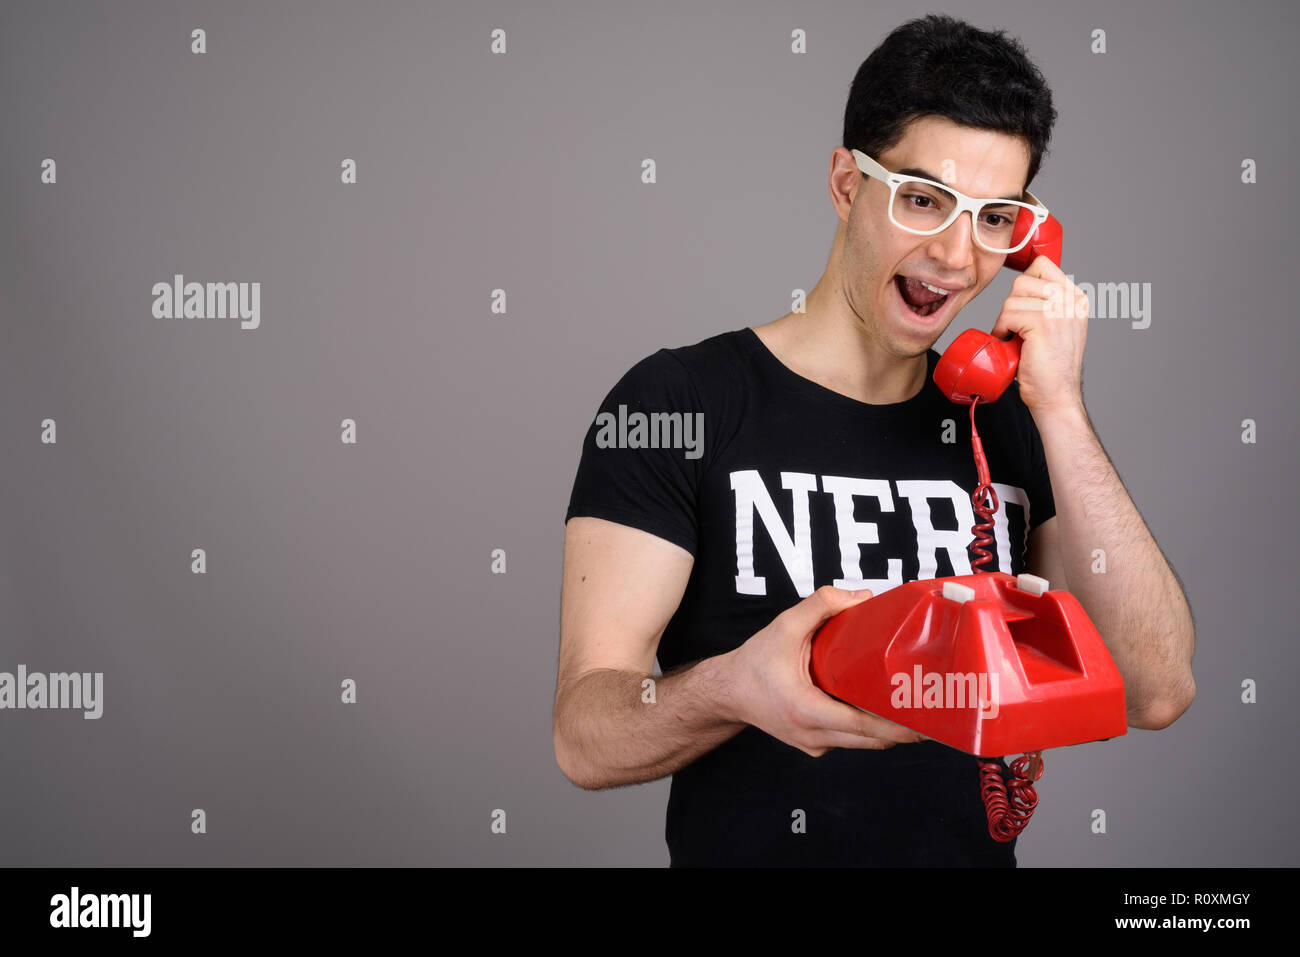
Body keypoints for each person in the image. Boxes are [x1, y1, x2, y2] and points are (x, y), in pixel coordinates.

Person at [553, 14, 1196, 866]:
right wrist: (733, 688)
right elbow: (584, 735)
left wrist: (1062, 409)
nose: (956, 257)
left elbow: (1155, 689)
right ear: (847, 185)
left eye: (995, 219)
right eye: (923, 200)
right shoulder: (679, 401)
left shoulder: (1007, 420)